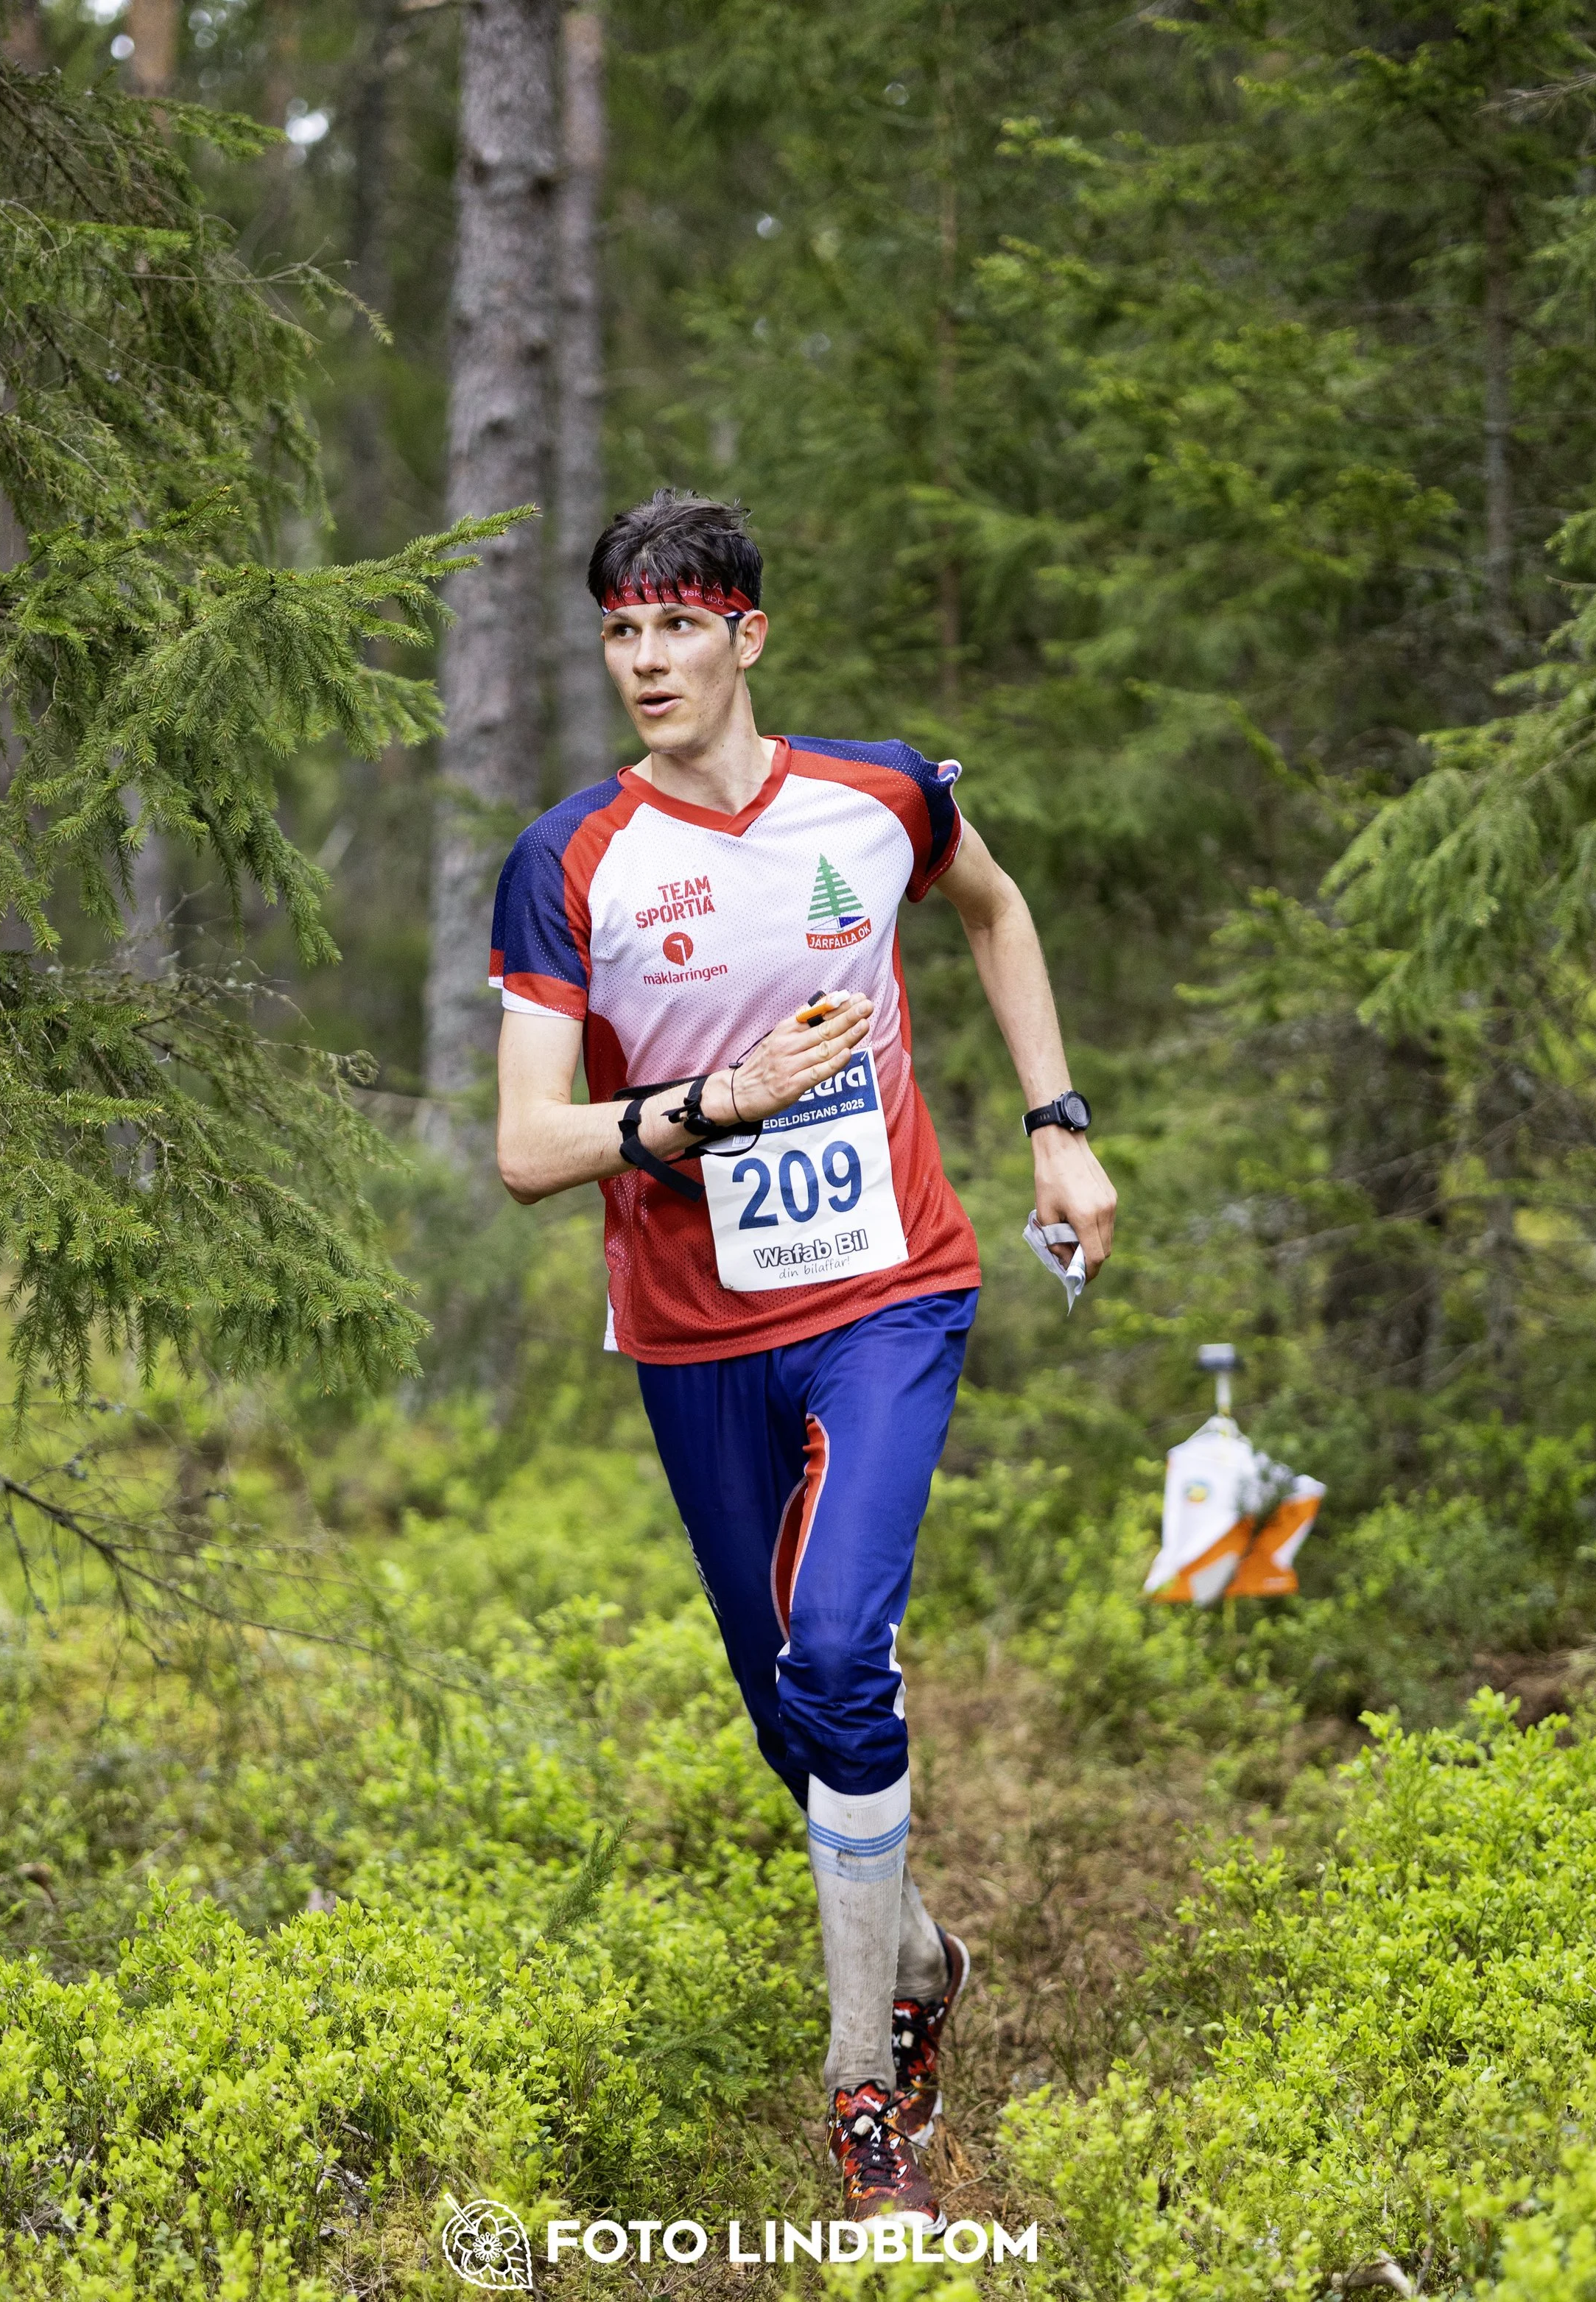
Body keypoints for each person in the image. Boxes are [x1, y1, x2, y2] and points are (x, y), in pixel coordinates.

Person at [491, 489, 1117, 2228]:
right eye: (621, 632)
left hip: (887, 1288)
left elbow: (993, 910)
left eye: (677, 627)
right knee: (792, 1712)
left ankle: (862, 2096)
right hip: (694, 1328)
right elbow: (529, 1147)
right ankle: (916, 1952)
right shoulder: (570, 859)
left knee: (840, 1651)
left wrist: (1056, 1125)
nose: (645, 661)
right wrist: (717, 1101)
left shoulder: (877, 796)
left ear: (744, 636)